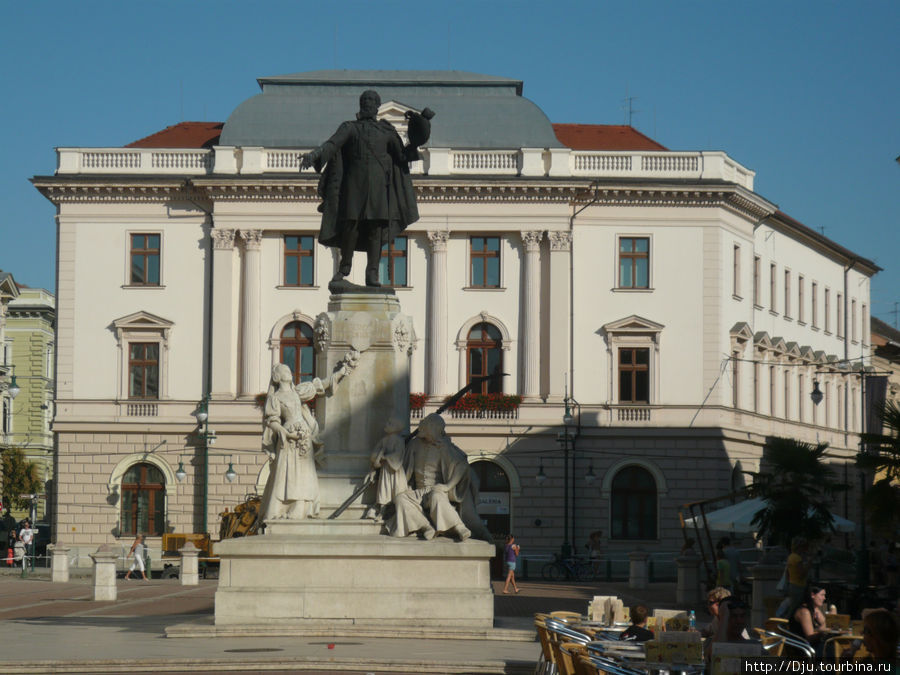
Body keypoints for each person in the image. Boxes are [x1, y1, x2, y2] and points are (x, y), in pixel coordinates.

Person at [301, 90, 428, 288]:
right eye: (365, 101)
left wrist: (417, 138)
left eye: (371, 101)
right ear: (360, 105)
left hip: (379, 189)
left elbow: (402, 157)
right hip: (354, 187)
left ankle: (373, 274)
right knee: (350, 227)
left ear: (377, 106)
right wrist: (315, 154)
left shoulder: (387, 132)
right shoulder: (350, 128)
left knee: (375, 230)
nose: (368, 104)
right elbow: (332, 145)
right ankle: (344, 268)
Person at [260, 354, 356, 522]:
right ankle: (284, 506)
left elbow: (319, 386)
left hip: (304, 436)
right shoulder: (275, 398)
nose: (289, 372)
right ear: (277, 377)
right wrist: (284, 432)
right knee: (287, 473)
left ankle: (300, 506)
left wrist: (340, 373)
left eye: (289, 370)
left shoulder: (297, 391)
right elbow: (272, 420)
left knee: (305, 473)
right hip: (289, 438)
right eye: (284, 370)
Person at [389, 414, 491, 542]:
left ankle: (458, 527)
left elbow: (462, 466)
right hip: (419, 492)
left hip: (437, 489)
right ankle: (425, 526)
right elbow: (404, 469)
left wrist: (448, 486)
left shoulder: (445, 447)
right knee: (400, 498)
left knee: (436, 496)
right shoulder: (415, 444)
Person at [363, 416, 409, 522]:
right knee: (384, 491)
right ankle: (382, 512)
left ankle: (398, 512)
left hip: (395, 471)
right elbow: (375, 453)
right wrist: (376, 458)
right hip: (385, 470)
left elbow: (398, 454)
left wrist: (385, 457)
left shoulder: (399, 440)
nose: (386, 425)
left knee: (397, 490)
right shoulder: (384, 440)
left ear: (396, 428)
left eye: (390, 424)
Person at [777, 537, 811, 618]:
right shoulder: (797, 558)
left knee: (792, 607)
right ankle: (788, 624)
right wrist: (809, 563)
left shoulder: (791, 557)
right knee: (794, 608)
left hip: (792, 584)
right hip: (798, 586)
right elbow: (802, 573)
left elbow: (788, 573)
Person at [789, 585, 829, 654]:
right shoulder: (804, 612)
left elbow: (827, 624)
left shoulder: (814, 609)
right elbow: (810, 638)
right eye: (822, 595)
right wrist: (823, 629)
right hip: (803, 649)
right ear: (813, 595)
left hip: (811, 646)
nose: (824, 598)